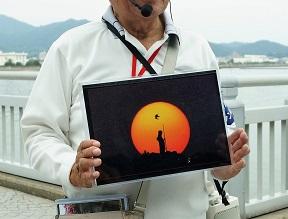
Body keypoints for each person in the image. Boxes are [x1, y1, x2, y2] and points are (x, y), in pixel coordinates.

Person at [21, 1, 250, 218]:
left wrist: (224, 162)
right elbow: (39, 131)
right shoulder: (71, 48)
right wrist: (70, 168)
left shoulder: (197, 48)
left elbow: (219, 129)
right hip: (102, 214)